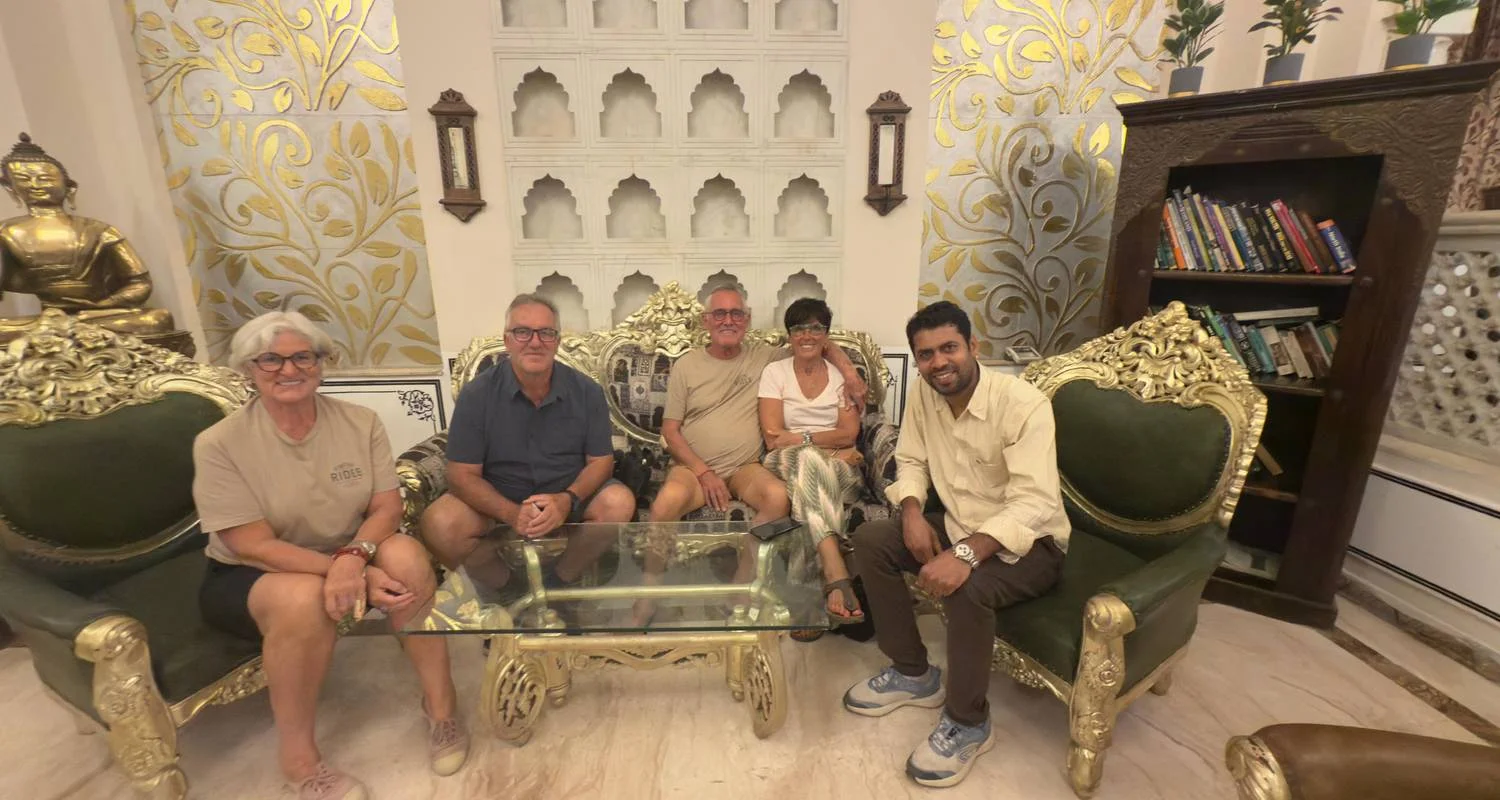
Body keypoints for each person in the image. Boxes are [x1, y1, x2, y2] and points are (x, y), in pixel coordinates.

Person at [194, 311, 467, 800]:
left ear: (321, 363)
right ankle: (299, 762)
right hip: (255, 570)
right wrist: (345, 571)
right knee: (303, 599)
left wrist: (354, 558)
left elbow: (386, 507)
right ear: (249, 369)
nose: (289, 369)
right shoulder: (219, 444)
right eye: (271, 360)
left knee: (407, 560)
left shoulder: (360, 423)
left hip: (352, 546)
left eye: (303, 356)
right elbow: (250, 543)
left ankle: (441, 709)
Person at [842, 301, 1070, 789]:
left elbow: (1034, 503)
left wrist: (964, 554)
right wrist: (910, 513)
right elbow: (911, 459)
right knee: (871, 538)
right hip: (957, 522)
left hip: (1034, 543)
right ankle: (913, 673)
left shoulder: (1023, 404)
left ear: (973, 346)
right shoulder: (926, 395)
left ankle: (968, 722)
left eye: (949, 348)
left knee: (969, 586)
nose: (939, 363)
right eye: (926, 355)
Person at [420, 294, 636, 587]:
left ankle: (560, 583)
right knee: (439, 523)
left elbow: (601, 462)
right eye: (523, 332)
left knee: (618, 502)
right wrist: (511, 513)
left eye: (546, 333)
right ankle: (508, 591)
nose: (535, 342)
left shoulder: (587, 392)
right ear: (507, 340)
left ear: (557, 341)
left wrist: (567, 500)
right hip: (497, 501)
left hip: (568, 497)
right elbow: (460, 475)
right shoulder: (477, 395)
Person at [648, 286, 867, 527]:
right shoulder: (686, 365)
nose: (728, 321)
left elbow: (814, 343)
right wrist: (704, 472)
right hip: (693, 470)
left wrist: (850, 374)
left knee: (778, 498)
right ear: (705, 320)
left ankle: (746, 553)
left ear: (747, 319)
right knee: (665, 503)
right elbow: (670, 432)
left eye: (736, 314)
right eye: (720, 314)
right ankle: (656, 557)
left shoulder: (767, 358)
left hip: (745, 469)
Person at [757, 298, 865, 625]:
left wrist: (802, 438)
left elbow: (850, 433)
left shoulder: (841, 377)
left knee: (809, 483)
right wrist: (828, 448)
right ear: (789, 335)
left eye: (816, 328)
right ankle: (837, 574)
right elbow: (773, 437)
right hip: (785, 461)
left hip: (836, 471)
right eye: (799, 328)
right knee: (807, 461)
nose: (807, 335)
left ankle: (804, 598)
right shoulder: (775, 372)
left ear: (826, 335)